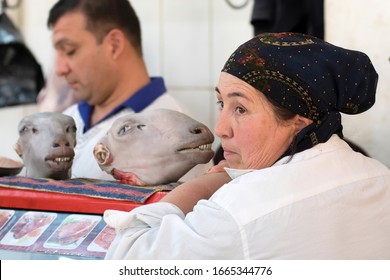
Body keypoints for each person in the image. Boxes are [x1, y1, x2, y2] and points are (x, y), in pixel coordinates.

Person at [103, 32, 390, 259]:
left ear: (299, 122)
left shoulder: (238, 212)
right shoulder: (380, 178)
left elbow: (126, 258)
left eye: (240, 109)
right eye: (221, 103)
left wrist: (205, 185)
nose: (220, 129)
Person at [47, 0, 195, 180]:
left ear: (114, 45)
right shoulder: (70, 117)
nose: (59, 69)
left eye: (70, 51)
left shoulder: (175, 133)